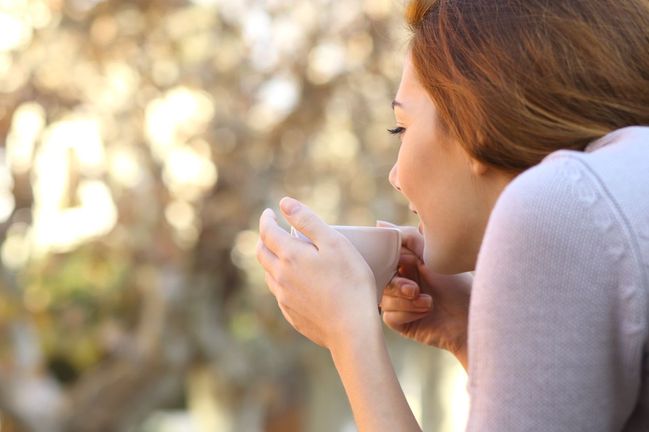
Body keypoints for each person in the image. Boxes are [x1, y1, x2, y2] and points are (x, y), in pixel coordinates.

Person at [256, 0, 649, 430]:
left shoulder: (559, 205)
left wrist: (350, 335)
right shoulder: (617, 183)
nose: (395, 176)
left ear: (474, 121)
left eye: (400, 129)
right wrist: (468, 334)